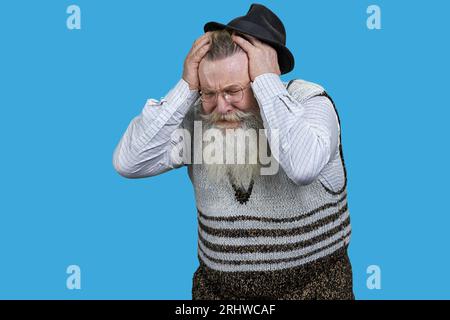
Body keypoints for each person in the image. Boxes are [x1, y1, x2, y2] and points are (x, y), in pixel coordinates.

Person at [113, 3, 354, 300]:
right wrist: (186, 88)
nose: (222, 107)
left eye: (233, 91)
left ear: (264, 77)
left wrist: (267, 84)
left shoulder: (310, 104)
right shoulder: (202, 116)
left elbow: (303, 167)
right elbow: (129, 162)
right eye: (210, 92)